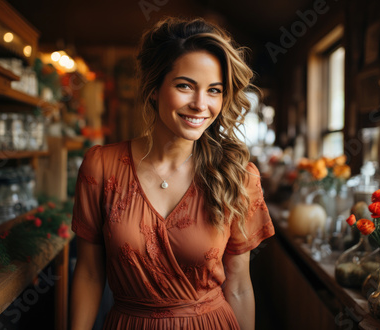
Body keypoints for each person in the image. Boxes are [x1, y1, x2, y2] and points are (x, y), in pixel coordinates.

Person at [70, 17, 274, 330]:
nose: (200, 104)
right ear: (154, 88)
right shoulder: (100, 165)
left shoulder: (237, 175)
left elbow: (239, 285)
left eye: (214, 91)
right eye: (185, 86)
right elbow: (88, 273)